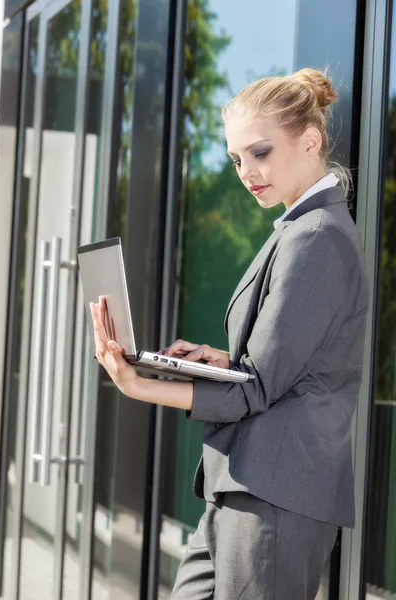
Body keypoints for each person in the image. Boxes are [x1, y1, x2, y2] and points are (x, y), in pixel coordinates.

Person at [90, 67, 369, 599]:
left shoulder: (317, 238)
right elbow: (284, 365)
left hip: (276, 495)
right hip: (245, 486)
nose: (247, 172)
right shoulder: (297, 229)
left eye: (260, 153)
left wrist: (138, 385)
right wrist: (219, 358)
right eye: (237, 159)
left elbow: (259, 387)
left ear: (310, 141)